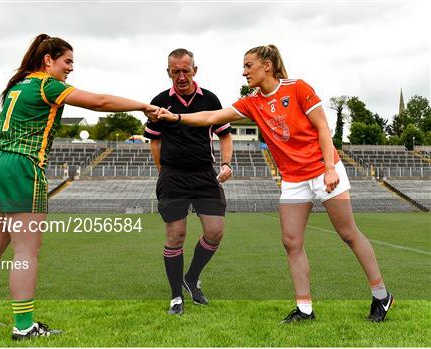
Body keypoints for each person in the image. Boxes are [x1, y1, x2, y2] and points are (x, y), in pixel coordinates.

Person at [155, 45, 393, 323]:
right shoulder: (252, 102)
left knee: (348, 233)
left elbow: (323, 129)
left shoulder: (298, 88)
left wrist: (329, 168)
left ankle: (381, 295)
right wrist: (176, 117)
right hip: (293, 180)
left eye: (248, 66)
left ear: (266, 65)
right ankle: (305, 309)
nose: (244, 72)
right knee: (291, 242)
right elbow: (211, 117)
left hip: (324, 170)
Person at [0, 34, 159, 340]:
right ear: (48, 60)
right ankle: (24, 326)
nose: (71, 68)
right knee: (27, 248)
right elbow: (99, 102)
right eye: (68, 61)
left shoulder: (18, 84)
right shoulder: (46, 84)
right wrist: (143, 105)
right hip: (22, 165)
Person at [144, 48, 233, 315]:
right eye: (175, 71)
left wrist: (226, 163)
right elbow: (155, 140)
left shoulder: (210, 99)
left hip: (204, 173)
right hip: (173, 176)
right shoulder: (160, 102)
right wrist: (164, 171)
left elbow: (225, 135)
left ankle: (191, 277)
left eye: (186, 70)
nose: (181, 76)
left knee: (215, 231)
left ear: (195, 69)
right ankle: (175, 297)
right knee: (176, 235)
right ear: (168, 71)